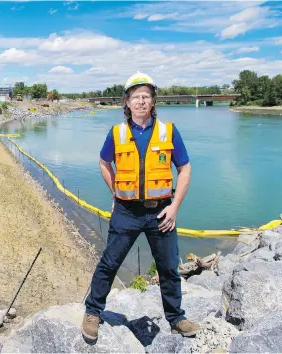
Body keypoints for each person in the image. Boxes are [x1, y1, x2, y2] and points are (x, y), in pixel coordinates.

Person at [81, 72, 199, 343]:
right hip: (126, 212)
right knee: (109, 263)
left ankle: (176, 318)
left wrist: (175, 206)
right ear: (128, 102)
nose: (141, 101)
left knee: (169, 267)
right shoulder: (117, 133)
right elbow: (103, 162)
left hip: (161, 212)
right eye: (136, 97)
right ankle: (93, 311)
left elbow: (185, 168)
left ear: (153, 100)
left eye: (146, 96)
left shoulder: (169, 131)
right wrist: (115, 193)